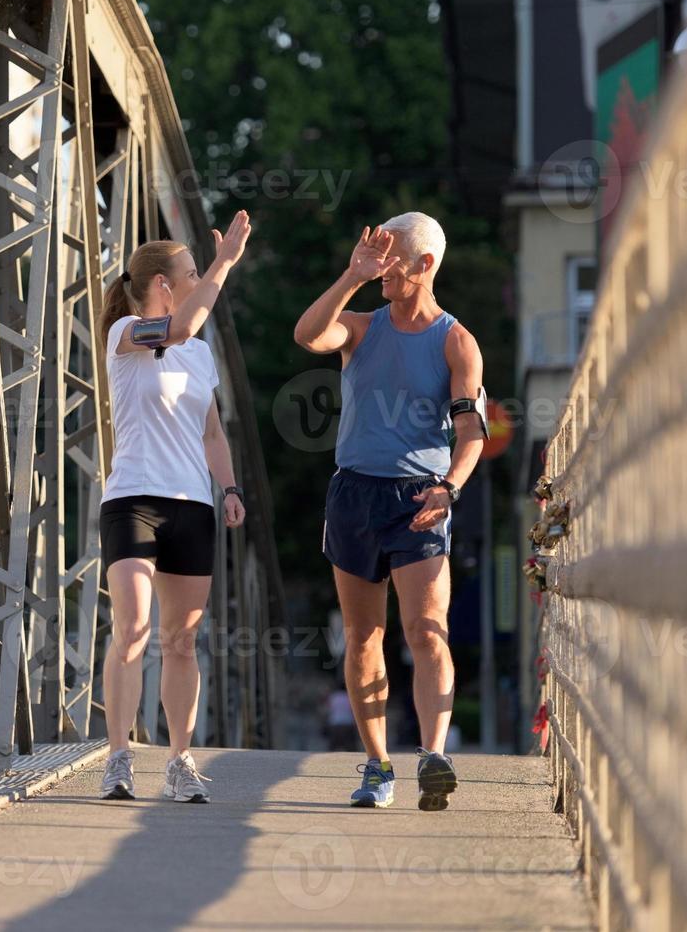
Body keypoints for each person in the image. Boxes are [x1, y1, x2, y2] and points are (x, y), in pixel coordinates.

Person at [293, 212, 486, 811]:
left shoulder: (456, 340)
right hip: (353, 494)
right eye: (371, 252)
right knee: (363, 636)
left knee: (427, 631)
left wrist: (449, 487)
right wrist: (351, 276)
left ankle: (433, 754)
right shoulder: (358, 326)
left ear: (425, 265)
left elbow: (471, 432)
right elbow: (307, 335)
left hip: (419, 497)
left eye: (389, 256)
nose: (380, 265)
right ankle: (378, 766)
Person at [96, 211, 252, 803]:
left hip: (192, 504)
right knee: (133, 627)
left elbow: (211, 433)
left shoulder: (201, 356)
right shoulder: (126, 335)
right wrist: (225, 263)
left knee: (181, 641)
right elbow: (178, 330)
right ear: (165, 284)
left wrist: (231, 488)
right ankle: (118, 758)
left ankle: (180, 759)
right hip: (133, 500)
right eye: (192, 271)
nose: (199, 276)